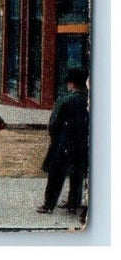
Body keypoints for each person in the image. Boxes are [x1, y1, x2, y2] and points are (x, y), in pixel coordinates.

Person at [37, 68, 89, 214]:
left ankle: (48, 205)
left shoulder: (65, 100)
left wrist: (54, 137)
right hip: (82, 143)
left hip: (63, 143)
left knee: (56, 175)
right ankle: (73, 203)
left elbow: (53, 124)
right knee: (77, 173)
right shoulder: (89, 99)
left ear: (71, 84)